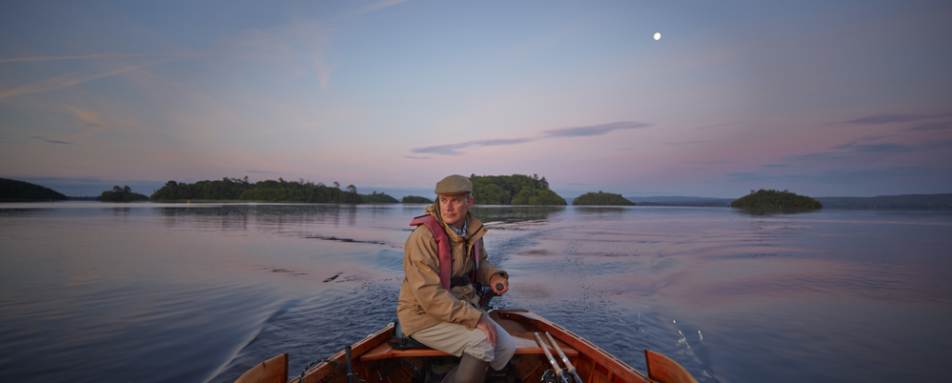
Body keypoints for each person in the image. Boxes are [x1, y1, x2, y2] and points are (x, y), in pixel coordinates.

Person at [397, 175, 516, 383]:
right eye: (443, 200)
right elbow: (429, 296)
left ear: (469, 201)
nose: (448, 207)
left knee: (506, 347)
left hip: (459, 306)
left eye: (456, 200)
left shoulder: (472, 231)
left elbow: (480, 265)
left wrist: (494, 275)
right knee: (483, 343)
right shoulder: (423, 238)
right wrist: (476, 318)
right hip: (422, 316)